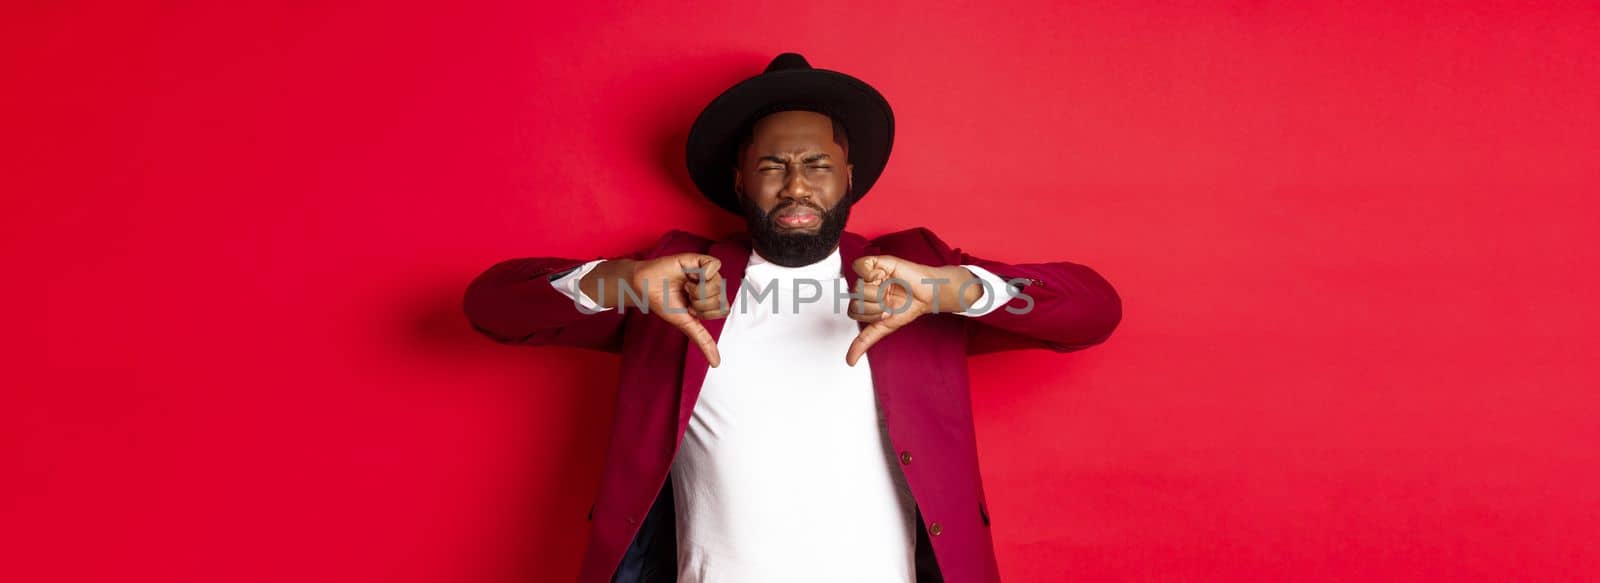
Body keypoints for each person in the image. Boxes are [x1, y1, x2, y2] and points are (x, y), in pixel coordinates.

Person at [463, 52, 1122, 583]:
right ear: (740, 179)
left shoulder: (911, 280)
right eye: (773, 165)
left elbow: (1093, 310)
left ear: (848, 176)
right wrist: (618, 282)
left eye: (817, 165)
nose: (797, 185)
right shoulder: (673, 283)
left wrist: (955, 288)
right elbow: (490, 306)